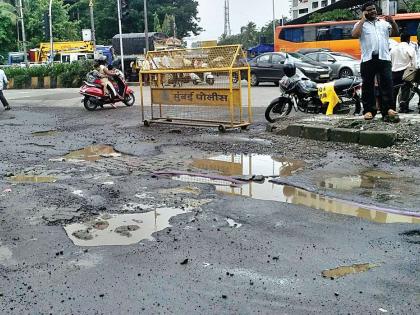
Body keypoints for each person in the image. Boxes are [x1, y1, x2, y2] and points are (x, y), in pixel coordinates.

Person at [351, 1, 400, 122]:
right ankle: (369, 110)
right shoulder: (360, 24)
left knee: (387, 84)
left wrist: (393, 23)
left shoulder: (383, 23)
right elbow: (354, 34)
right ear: (364, 12)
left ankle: (388, 109)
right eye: (369, 10)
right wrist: (362, 19)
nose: (372, 11)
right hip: (368, 59)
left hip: (384, 58)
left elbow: (395, 33)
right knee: (367, 85)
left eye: (373, 9)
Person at [391, 33, 416, 113]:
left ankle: (392, 108)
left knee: (394, 91)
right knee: (406, 90)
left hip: (394, 72)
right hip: (406, 72)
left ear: (401, 39)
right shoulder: (410, 48)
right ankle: (403, 108)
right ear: (408, 39)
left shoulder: (393, 48)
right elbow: (414, 62)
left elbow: (390, 60)